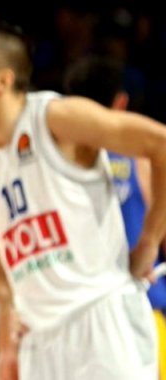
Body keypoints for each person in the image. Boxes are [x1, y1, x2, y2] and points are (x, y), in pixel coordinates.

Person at [0, 21, 166, 379]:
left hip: (104, 318)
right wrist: (7, 334)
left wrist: (150, 241)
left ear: (2, 81)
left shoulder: (57, 119)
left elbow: (161, 145)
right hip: (40, 340)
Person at [64, 55, 166, 378]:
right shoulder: (142, 158)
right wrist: (148, 244)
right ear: (120, 103)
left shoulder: (54, 161)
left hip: (73, 317)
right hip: (139, 306)